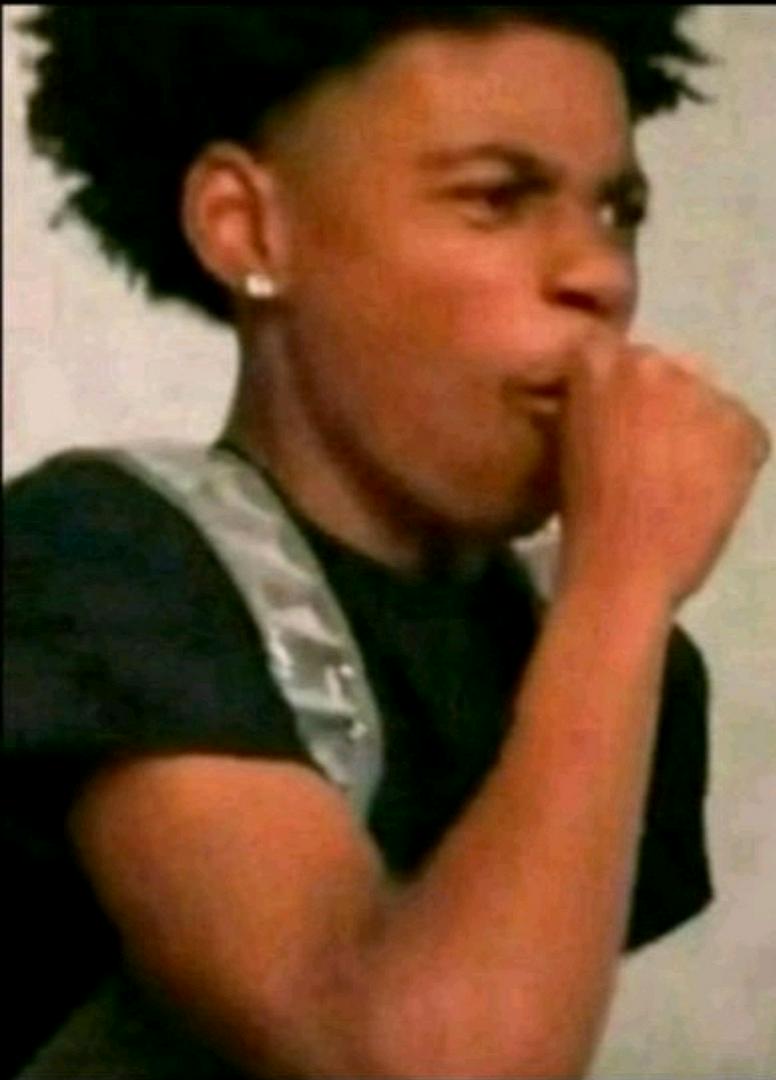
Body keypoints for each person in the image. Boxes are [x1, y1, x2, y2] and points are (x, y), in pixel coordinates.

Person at [4, 6, 771, 1079]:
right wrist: (624, 588)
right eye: (496, 197)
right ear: (247, 229)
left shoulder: (589, 651)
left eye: (616, 210)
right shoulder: (101, 558)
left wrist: (610, 614)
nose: (598, 274)